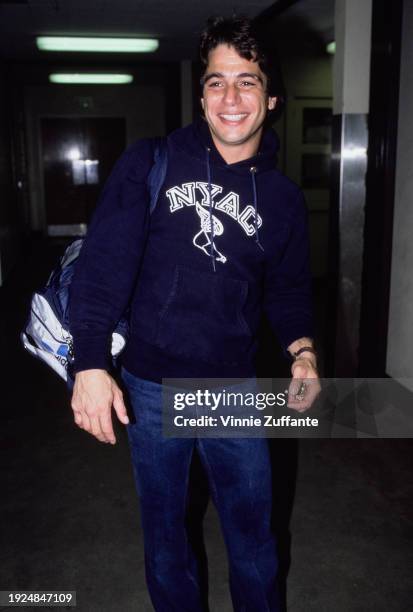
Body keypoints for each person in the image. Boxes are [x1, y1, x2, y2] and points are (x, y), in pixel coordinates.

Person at [69, 15, 320, 612]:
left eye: (248, 81)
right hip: (151, 387)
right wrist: (89, 363)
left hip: (232, 388)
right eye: (216, 81)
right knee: (166, 542)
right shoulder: (151, 162)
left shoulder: (282, 201)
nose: (230, 97)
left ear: (272, 98)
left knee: (255, 541)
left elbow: (287, 290)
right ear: (201, 93)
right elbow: (102, 267)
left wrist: (302, 350)